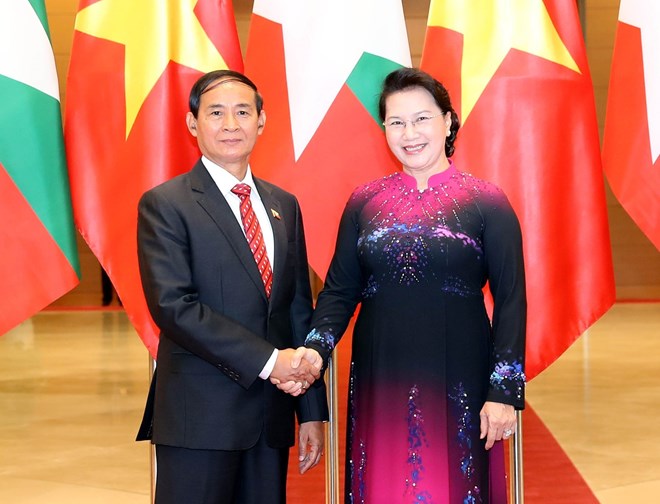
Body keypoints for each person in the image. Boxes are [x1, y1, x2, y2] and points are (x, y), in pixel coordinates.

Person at [301, 67, 526, 502]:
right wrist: (315, 349)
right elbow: (340, 290)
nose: (410, 133)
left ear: (447, 121)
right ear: (383, 128)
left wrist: (504, 392)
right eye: (396, 122)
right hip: (379, 376)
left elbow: (512, 300)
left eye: (422, 118)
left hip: (462, 379)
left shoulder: (487, 202)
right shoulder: (363, 201)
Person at [135, 69, 328, 504]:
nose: (230, 124)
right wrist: (269, 361)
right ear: (193, 124)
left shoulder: (284, 205)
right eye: (216, 113)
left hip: (270, 420)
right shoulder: (166, 204)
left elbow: (297, 308)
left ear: (261, 121)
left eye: (243, 112)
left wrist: (311, 411)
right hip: (199, 419)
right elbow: (174, 307)